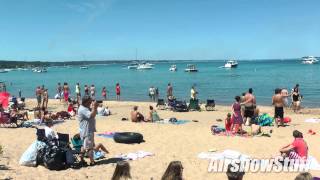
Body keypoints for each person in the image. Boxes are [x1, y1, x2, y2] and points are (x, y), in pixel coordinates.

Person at [78, 95, 98, 165]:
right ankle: (92, 161)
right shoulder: (83, 109)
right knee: (90, 147)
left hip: (84, 130)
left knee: (84, 146)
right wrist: (95, 107)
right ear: (86, 102)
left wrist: (93, 107)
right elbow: (92, 115)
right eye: (89, 102)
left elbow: (94, 113)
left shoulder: (84, 107)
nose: (90, 103)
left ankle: (81, 159)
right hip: (87, 130)